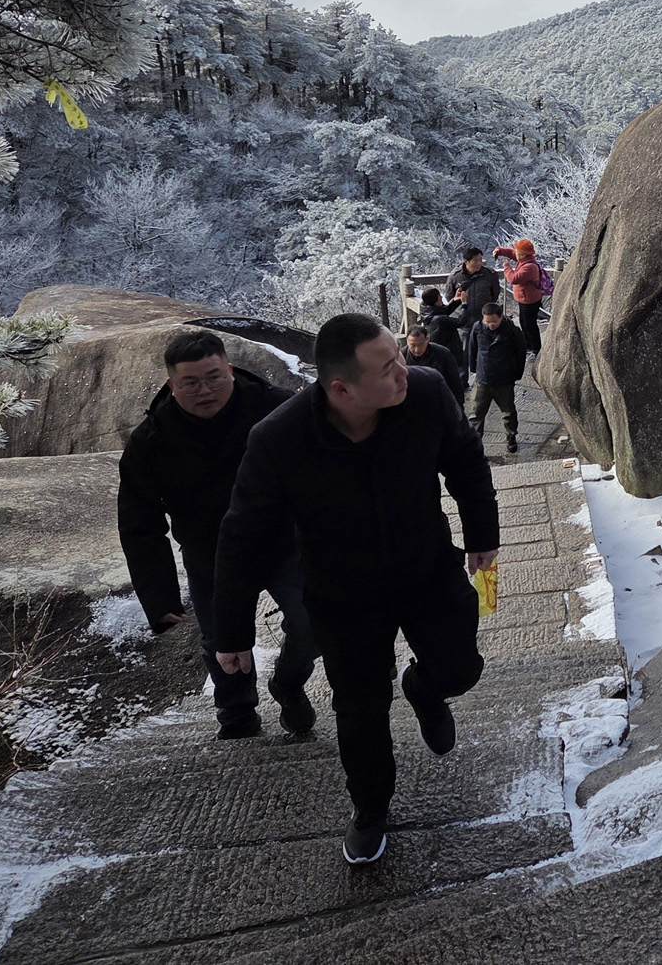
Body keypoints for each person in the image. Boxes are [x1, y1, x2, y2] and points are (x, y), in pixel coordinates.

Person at [213, 314, 499, 867]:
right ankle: (370, 809)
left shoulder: (425, 392)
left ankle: (425, 688)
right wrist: (231, 631)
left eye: (399, 357)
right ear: (341, 388)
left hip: (427, 569)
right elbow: (242, 534)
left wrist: (481, 536)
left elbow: (464, 460)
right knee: (360, 709)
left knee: (461, 667)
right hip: (344, 594)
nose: (404, 373)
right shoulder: (279, 439)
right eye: (388, 367)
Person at [116, 329, 317, 741]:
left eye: (213, 377)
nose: (204, 390)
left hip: (282, 543)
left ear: (230, 369)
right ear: (172, 384)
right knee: (219, 640)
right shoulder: (151, 440)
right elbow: (140, 523)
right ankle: (237, 711)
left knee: (312, 619)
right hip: (209, 553)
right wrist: (159, 597)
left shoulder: (277, 408)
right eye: (190, 383)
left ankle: (289, 682)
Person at [467, 303, 526, 454]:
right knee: (476, 414)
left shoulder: (512, 331)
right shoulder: (478, 328)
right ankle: (474, 442)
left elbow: (520, 353)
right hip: (483, 378)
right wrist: (474, 369)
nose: (490, 325)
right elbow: (472, 349)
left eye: (493, 322)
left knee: (508, 412)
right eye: (487, 322)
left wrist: (517, 373)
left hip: (504, 379)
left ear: (501, 317)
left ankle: (511, 436)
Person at [493, 239, 546, 354]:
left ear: (523, 254)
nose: (515, 253)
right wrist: (500, 250)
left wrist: (507, 267)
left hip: (529, 300)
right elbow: (512, 253)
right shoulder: (525, 259)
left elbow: (513, 279)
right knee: (524, 322)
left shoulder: (529, 267)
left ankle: (536, 349)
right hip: (526, 298)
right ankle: (528, 345)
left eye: (518, 251)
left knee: (529, 325)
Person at [404, 323, 464, 403]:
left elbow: (455, 383)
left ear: (427, 339)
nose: (417, 350)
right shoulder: (401, 357)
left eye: (421, 344)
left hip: (438, 399)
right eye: (413, 345)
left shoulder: (443, 354)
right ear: (407, 342)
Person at [448, 248, 499, 333]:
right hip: (463, 322)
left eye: (480, 259)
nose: (479, 263)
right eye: (475, 260)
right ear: (466, 261)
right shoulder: (455, 276)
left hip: (484, 321)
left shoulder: (489, 275)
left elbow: (495, 294)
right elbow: (449, 296)